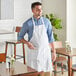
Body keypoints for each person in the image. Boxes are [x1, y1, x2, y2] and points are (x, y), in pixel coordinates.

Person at [18, 2, 56, 76]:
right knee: (33, 73)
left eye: (41, 9)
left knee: (47, 73)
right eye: (37, 10)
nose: (40, 12)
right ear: (32, 10)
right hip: (34, 53)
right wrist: (27, 43)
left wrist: (54, 52)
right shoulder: (27, 23)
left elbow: (51, 38)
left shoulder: (47, 22)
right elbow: (20, 37)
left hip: (45, 52)